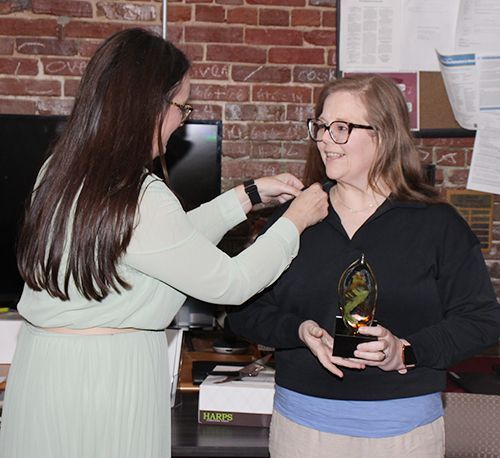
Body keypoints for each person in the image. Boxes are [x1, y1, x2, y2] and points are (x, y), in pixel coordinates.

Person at [0, 28, 329, 458]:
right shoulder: (142, 196)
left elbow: (161, 246)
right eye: (181, 107)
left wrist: (246, 196)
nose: (183, 120)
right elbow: (230, 282)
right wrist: (296, 221)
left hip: (42, 371)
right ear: (149, 105)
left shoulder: (59, 173)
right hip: (108, 380)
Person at [228, 74, 500, 457]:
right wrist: (299, 330)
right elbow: (242, 310)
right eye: (321, 126)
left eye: (341, 128)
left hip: (404, 438)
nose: (325, 139)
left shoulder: (437, 224)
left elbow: (481, 321)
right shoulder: (296, 218)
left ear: (383, 135)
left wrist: (405, 351)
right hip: (303, 434)